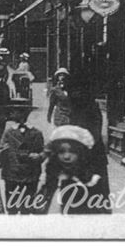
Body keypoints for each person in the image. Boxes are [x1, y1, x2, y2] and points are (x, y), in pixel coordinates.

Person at [64, 74, 111, 212]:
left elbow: (94, 135)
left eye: (75, 92)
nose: (73, 95)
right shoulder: (75, 108)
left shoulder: (90, 109)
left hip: (91, 158)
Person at [39, 125, 107, 214]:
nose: (66, 157)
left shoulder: (91, 182)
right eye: (61, 152)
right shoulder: (51, 179)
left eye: (73, 152)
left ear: (82, 155)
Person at [0, 99, 45, 214]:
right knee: (11, 207)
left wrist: (38, 156)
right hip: (12, 176)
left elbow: (43, 152)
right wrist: (3, 152)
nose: (11, 113)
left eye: (14, 111)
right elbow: (0, 151)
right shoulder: (9, 132)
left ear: (23, 113)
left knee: (26, 208)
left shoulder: (36, 133)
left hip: (30, 177)